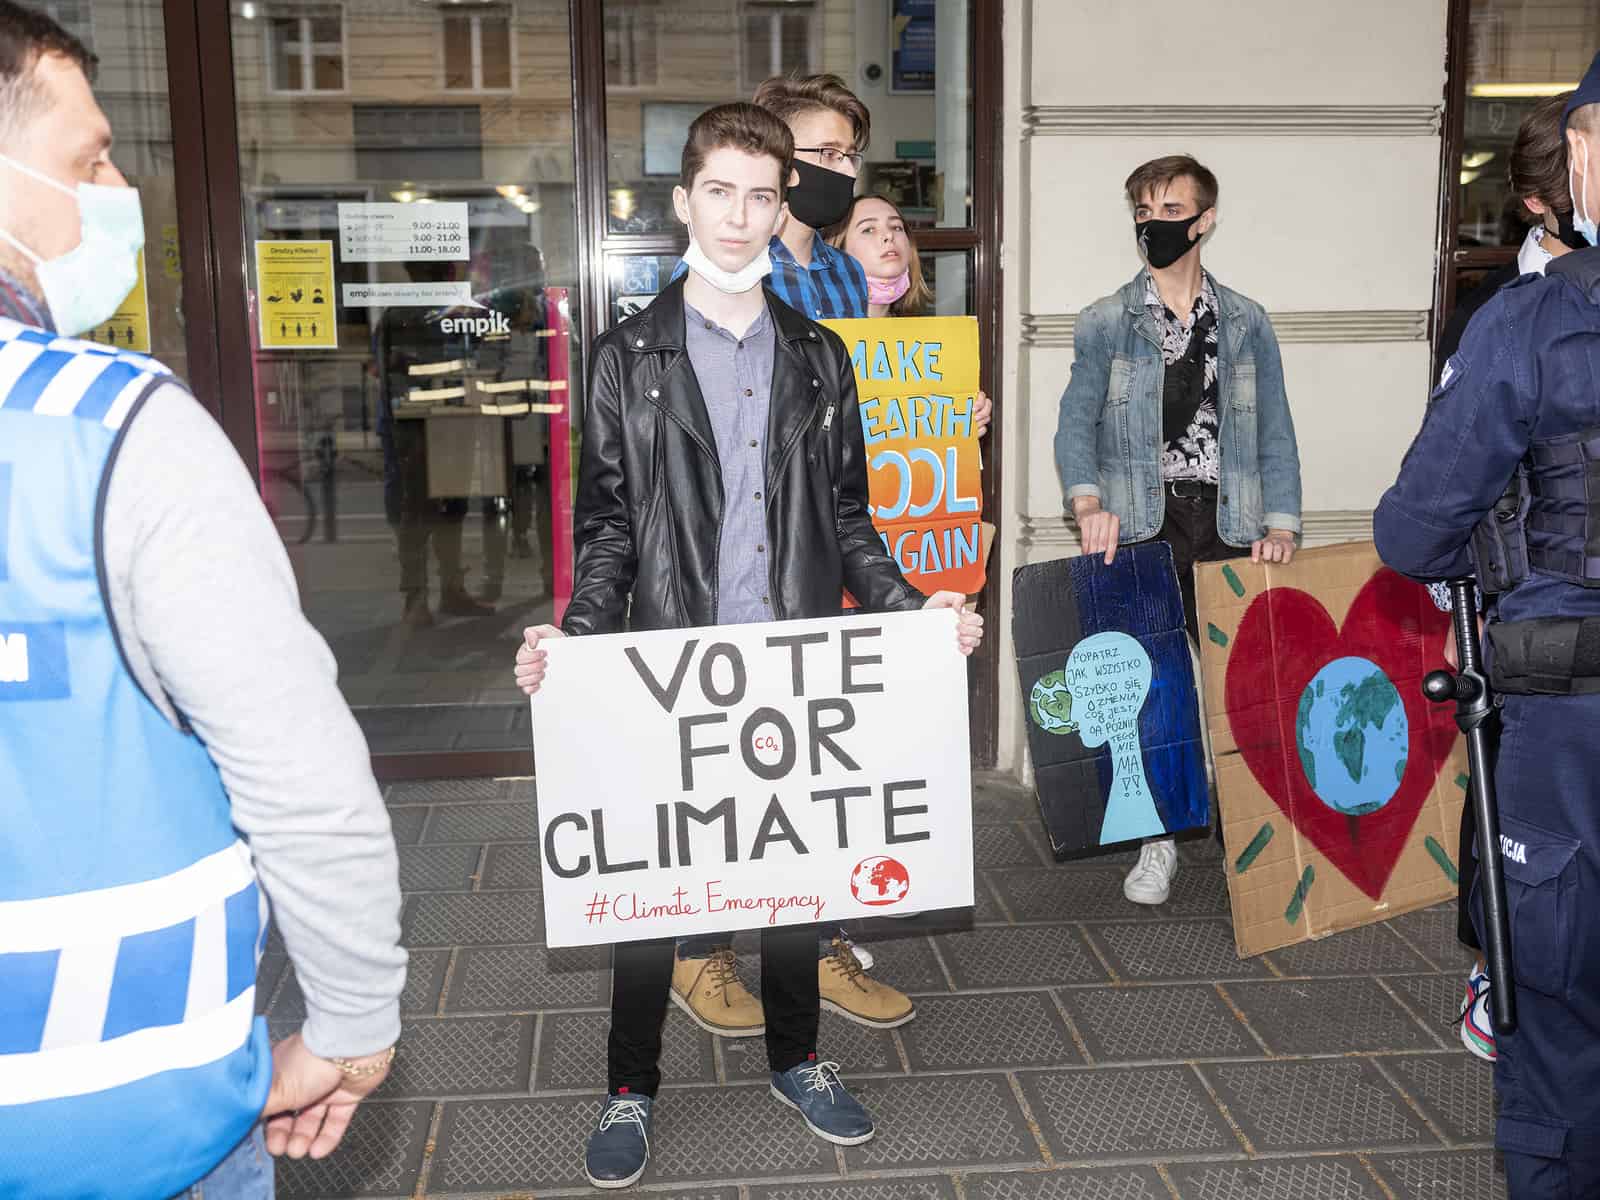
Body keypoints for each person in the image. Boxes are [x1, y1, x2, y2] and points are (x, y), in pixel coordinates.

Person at [513, 102, 984, 1189]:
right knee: (646, 892)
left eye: (761, 195)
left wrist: (911, 605)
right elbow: (609, 528)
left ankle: (798, 1058)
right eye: (718, 191)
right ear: (683, 202)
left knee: (793, 879)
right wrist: (577, 647)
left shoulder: (820, 356)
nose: (738, 215)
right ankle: (629, 1084)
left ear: (782, 212)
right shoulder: (623, 357)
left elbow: (854, 520)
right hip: (667, 665)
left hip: (791, 663)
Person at [0, 7, 406, 1197]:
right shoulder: (112, 432)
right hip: (124, 1128)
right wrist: (348, 1025)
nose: (117, 187)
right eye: (87, 162)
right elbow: (298, 773)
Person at [1374, 51, 1600, 1196]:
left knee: (1558, 1017)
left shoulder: (1532, 326)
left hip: (1568, 725)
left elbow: (1412, 533)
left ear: (1582, 158)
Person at [666, 74, 928, 1039]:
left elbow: (856, 418)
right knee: (722, 772)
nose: (839, 172)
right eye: (818, 154)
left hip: (820, 560)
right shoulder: (733, 267)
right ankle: (703, 951)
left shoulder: (842, 274)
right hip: (731, 568)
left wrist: (940, 417)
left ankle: (809, 941)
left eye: (848, 155)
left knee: (810, 766)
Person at [1054, 154, 1302, 906]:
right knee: (1152, 687)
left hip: (1229, 519)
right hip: (1140, 519)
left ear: (1205, 219)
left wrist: (1282, 523)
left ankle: (1248, 837)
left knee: (1242, 686)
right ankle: (1157, 840)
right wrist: (1087, 504)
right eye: (1141, 211)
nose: (1152, 224)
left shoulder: (1248, 322)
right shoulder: (1106, 320)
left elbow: (1276, 433)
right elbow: (1076, 422)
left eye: (1168, 210)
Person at [1426, 91, 1584, 1067]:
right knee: (1515, 792)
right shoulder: (1492, 317)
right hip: (1517, 595)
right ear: (1537, 202)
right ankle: (1497, 960)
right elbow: (1452, 475)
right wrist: (1459, 604)